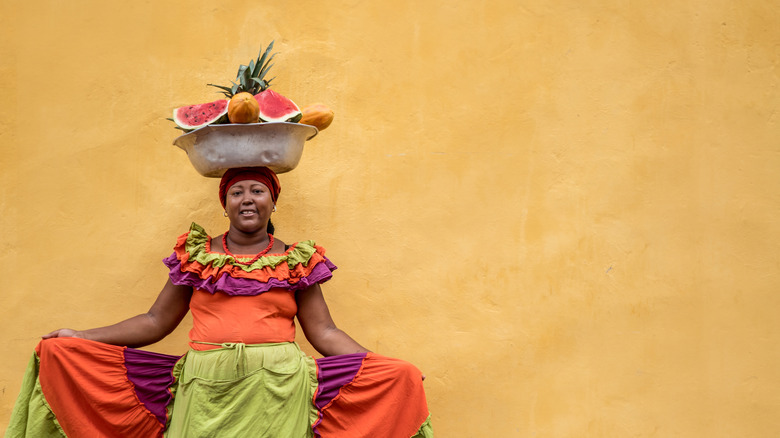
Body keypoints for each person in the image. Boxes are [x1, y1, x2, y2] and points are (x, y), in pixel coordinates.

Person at [6, 167, 433, 438]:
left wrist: (375, 365)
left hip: (279, 390)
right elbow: (155, 321)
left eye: (258, 191)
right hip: (204, 388)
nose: (248, 199)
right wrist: (81, 336)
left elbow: (323, 332)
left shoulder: (296, 260)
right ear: (225, 204)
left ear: (272, 201)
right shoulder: (197, 257)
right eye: (237, 193)